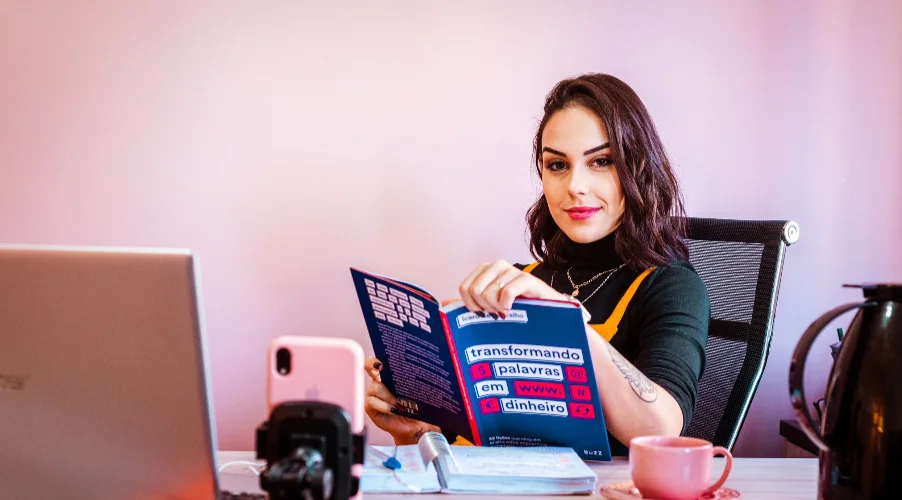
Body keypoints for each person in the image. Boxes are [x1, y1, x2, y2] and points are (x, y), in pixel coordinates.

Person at [364, 73, 710, 457]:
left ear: (638, 166)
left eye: (601, 161)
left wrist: (565, 321)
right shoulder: (521, 281)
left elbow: (662, 428)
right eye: (557, 165)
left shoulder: (671, 285)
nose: (575, 185)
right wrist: (413, 433)